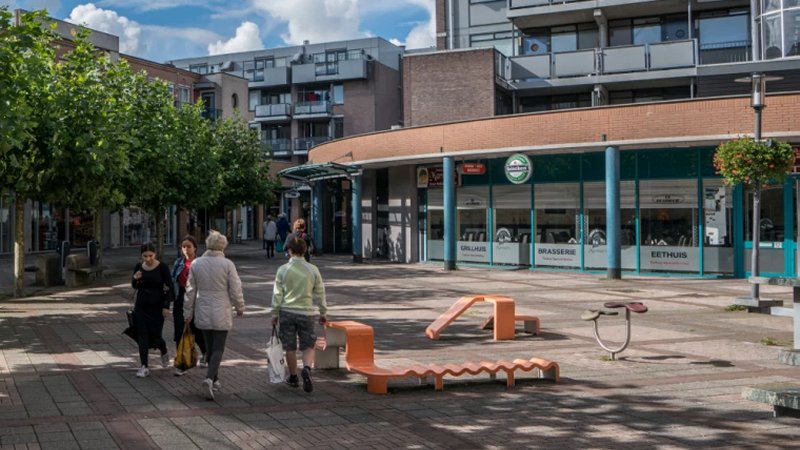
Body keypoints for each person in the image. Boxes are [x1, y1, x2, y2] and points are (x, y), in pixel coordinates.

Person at [183, 230, 245, 401]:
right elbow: (235, 288)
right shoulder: (227, 265)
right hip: (221, 309)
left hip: (202, 308)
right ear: (223, 246)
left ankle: (215, 379)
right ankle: (210, 378)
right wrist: (240, 306)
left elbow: (189, 290)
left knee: (209, 347)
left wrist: (187, 312)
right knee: (218, 347)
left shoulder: (196, 263)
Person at [271, 235, 327, 393]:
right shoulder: (313, 269)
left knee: (289, 346)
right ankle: (307, 368)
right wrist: (323, 312)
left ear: (289, 251)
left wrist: (274, 313)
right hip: (306, 312)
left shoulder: (283, 270)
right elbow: (320, 293)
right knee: (308, 344)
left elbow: (277, 294)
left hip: (287, 312)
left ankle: (294, 376)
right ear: (305, 250)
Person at [131, 242, 174, 378]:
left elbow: (170, 287)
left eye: (150, 255)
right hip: (142, 306)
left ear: (155, 254)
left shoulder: (162, 268)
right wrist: (135, 279)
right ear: (141, 256)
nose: (148, 259)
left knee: (155, 336)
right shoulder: (139, 267)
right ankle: (144, 366)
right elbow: (134, 285)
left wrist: (166, 306)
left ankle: (163, 348)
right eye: (145, 256)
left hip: (157, 306)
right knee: (142, 335)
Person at [170, 235, 207, 375]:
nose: (185, 249)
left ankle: (206, 354)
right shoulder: (178, 263)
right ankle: (182, 364)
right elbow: (172, 281)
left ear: (195, 248)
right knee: (180, 332)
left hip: (197, 300)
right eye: (183, 246)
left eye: (188, 246)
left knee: (197, 331)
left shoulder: (200, 263)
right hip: (181, 299)